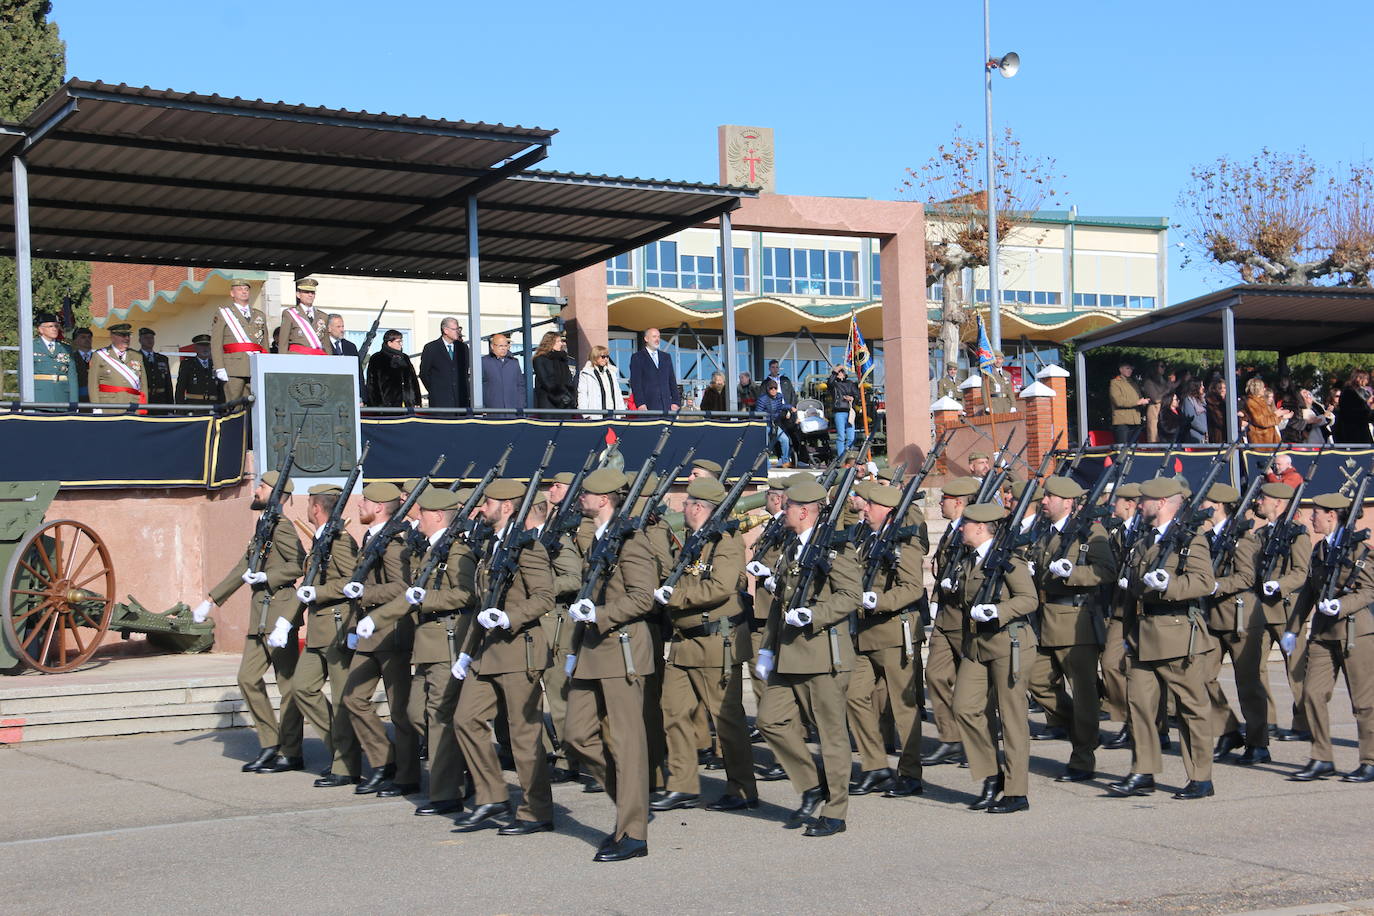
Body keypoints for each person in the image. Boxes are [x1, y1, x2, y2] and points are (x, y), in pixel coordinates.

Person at [755, 478, 862, 837]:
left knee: (831, 736)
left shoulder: (835, 549)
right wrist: (768, 647)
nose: (781, 510)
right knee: (770, 720)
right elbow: (780, 603)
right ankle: (811, 783)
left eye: (787, 506)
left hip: (823, 655)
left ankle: (836, 811)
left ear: (803, 511)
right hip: (788, 654)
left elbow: (851, 595)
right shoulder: (791, 546)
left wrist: (815, 615)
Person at [563, 468, 658, 862]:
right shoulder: (597, 539)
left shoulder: (631, 543)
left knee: (627, 745)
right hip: (591, 651)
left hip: (621, 650)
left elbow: (643, 598)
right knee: (575, 734)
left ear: (603, 500)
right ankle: (630, 802)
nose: (579, 498)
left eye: (585, 494)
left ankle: (633, 832)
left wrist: (600, 613)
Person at [452, 478, 556, 833]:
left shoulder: (528, 548)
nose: (481, 508)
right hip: (487, 652)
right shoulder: (491, 547)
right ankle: (491, 794)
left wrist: (509, 616)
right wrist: (466, 652)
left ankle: (537, 811)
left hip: (519, 650)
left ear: (507, 507)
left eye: (488, 502)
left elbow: (545, 597)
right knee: (465, 719)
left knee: (523, 736)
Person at [1108, 476, 1218, 801]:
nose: (1139, 505)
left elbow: (1203, 582)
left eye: (1144, 500)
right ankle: (1143, 771)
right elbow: (1131, 595)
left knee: (1190, 708)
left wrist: (1168, 587)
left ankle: (1200, 777)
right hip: (1143, 635)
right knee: (1139, 705)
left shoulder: (1190, 540)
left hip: (1177, 634)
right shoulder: (1144, 542)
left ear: (1160, 503)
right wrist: (1128, 633)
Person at [650, 477, 757, 813]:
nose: (682, 508)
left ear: (699, 507)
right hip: (684, 643)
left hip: (716, 642)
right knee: (673, 711)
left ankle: (741, 788)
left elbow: (720, 587)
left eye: (686, 503)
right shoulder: (693, 540)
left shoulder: (725, 541)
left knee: (726, 720)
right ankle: (682, 785)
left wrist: (675, 597)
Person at [369, 487, 477, 816]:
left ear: (436, 515)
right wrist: (375, 620)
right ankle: (469, 767)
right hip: (426, 646)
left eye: (421, 513)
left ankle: (447, 794)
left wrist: (427, 600)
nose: (416, 518)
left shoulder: (456, 552)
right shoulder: (430, 551)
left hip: (446, 643)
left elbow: (466, 594)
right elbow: (410, 594)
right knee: (416, 713)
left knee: (440, 718)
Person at [191, 470, 305, 773]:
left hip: (281, 613)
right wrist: (212, 599)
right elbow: (245, 564)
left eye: (263, 487)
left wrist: (269, 576)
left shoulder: (282, 528)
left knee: (289, 686)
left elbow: (299, 564)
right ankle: (270, 742)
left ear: (278, 495)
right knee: (247, 678)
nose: (257, 490)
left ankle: (291, 751)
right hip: (260, 617)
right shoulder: (263, 526)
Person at [321, 483, 420, 796]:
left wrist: (366, 592)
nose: (359, 505)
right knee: (352, 697)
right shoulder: (371, 538)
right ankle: (383, 759)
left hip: (391, 633)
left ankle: (407, 776)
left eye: (364, 500)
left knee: (400, 710)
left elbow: (402, 588)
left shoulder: (392, 544)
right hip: (368, 634)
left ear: (379, 507)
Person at [950, 501, 1040, 814]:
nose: (961, 528)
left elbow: (1029, 600)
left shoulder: (1008, 560)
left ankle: (1016, 792)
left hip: (1009, 643)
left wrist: (998, 611)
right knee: (964, 707)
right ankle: (991, 775)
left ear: (979, 527)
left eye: (966, 524)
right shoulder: (969, 559)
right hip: (977, 645)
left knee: (1012, 718)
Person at [1026, 476, 1114, 781]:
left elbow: (1106, 571)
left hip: (1076, 621)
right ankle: (1083, 729)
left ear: (1068, 502)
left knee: (1084, 694)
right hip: (1044, 618)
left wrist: (1073, 572)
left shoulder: (1090, 531)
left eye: (1050, 497)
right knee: (1035, 680)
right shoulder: (1043, 531)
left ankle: (1082, 758)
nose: (1044, 501)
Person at [1284, 491, 1374, 783]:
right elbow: (1308, 593)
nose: (1312, 518)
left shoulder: (1361, 550)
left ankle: (1370, 760)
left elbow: (1369, 590)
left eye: (1316, 513)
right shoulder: (1320, 549)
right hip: (1322, 633)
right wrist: (1292, 629)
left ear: (1332, 516)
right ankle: (1322, 757)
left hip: (1354, 633)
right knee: (1311, 694)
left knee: (1364, 702)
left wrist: (1342, 605)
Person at [845, 481, 928, 798]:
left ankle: (910, 773)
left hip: (895, 631)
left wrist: (877, 600)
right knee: (854, 696)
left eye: (870, 505)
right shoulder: (865, 539)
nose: (864, 509)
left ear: (887, 510)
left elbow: (912, 588)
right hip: (865, 635)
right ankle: (875, 765)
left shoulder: (904, 544)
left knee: (904, 707)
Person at [286, 484, 363, 785]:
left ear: (316, 508)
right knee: (301, 688)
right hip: (319, 629)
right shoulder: (322, 539)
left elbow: (351, 582)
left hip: (337, 626)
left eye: (308, 504)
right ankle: (341, 747)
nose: (307, 509)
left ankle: (346, 765)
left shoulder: (340, 541)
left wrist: (316, 591)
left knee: (343, 698)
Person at [1201, 483, 1268, 766]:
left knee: (1248, 684)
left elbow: (1246, 577)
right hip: (1214, 618)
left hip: (1241, 618)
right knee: (1201, 677)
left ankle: (1258, 743)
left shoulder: (1243, 538)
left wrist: (1215, 585)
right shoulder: (1207, 537)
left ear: (1217, 505)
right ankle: (1228, 729)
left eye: (1205, 502)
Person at [923, 477, 980, 767]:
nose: (940, 503)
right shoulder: (951, 530)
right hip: (945, 614)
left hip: (964, 616)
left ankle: (979, 742)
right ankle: (950, 737)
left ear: (958, 502)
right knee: (935, 675)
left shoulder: (972, 531)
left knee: (976, 685)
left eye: (945, 498)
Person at [210, 277, 268, 403]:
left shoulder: (259, 315)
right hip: (233, 368)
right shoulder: (224, 313)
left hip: (255, 366)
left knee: (254, 407)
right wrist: (219, 367)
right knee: (233, 405)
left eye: (246, 289)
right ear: (232, 293)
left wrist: (266, 365)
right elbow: (216, 343)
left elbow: (264, 344)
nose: (244, 291)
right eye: (240, 289)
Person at [89, 323, 147, 407]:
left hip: (133, 405)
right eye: (123, 335)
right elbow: (93, 384)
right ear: (112, 337)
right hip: (108, 406)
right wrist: (96, 407)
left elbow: (143, 384)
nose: (127, 338)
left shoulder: (137, 356)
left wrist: (143, 406)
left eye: (128, 335)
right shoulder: (99, 355)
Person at [418, 317, 470, 409]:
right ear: (445, 330)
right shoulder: (431, 348)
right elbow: (424, 373)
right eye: (455, 329)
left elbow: (466, 371)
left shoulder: (463, 348)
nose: (458, 332)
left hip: (461, 401)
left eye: (459, 329)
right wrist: (434, 390)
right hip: (440, 402)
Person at [31, 310, 79, 404]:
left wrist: (74, 402)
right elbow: (24, 376)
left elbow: (72, 377)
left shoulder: (66, 348)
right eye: (50, 326)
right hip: (39, 397)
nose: (54, 329)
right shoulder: (31, 347)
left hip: (62, 397)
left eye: (56, 326)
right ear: (40, 329)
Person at [365, 330, 420, 408]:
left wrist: (417, 401)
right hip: (387, 407)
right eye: (398, 342)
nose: (401, 344)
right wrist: (378, 406)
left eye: (402, 341)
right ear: (389, 343)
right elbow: (372, 385)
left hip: (408, 405)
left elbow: (413, 380)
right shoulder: (377, 358)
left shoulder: (405, 358)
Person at [629, 327, 679, 412]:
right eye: (654, 336)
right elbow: (636, 382)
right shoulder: (637, 357)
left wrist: (676, 402)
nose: (657, 339)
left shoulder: (666, 357)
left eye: (658, 337)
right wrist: (640, 403)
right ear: (646, 339)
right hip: (647, 407)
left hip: (666, 407)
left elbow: (672, 380)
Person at [275, 278, 329, 355]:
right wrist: (283, 361)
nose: (310, 295)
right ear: (298, 294)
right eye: (306, 292)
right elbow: (283, 342)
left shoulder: (323, 316)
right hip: (297, 358)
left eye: (312, 292)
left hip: (318, 358)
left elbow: (326, 344)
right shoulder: (289, 314)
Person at [754, 379, 797, 467]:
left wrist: (790, 407)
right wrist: (768, 417)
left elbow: (781, 406)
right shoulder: (762, 399)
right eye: (771, 388)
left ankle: (785, 461)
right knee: (765, 444)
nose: (773, 390)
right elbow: (758, 413)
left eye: (775, 388)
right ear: (767, 389)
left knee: (785, 440)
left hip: (775, 424)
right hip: (765, 424)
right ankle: (766, 464)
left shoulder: (779, 396)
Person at [532, 330, 576, 411]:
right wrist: (559, 396)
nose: (561, 343)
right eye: (558, 341)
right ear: (550, 343)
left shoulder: (562, 358)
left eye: (561, 341)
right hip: (548, 401)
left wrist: (571, 396)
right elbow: (544, 380)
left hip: (566, 402)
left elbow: (569, 379)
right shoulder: (540, 359)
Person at [174, 334, 224, 405]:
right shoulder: (187, 364)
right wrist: (180, 409)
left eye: (207, 345)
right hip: (194, 406)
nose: (205, 348)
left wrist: (223, 407)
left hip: (213, 406)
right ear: (195, 347)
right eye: (201, 346)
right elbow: (180, 389)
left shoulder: (216, 364)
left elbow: (221, 389)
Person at [577, 344, 626, 415]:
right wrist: (585, 414)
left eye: (607, 357)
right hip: (595, 415)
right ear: (595, 357)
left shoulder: (611, 373)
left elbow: (618, 394)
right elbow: (582, 395)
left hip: (613, 414)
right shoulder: (586, 373)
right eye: (603, 357)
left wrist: (622, 413)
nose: (606, 359)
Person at [481, 333, 525, 411]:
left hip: (513, 409)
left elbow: (520, 385)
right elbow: (479, 386)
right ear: (492, 346)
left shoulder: (514, 362)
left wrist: (521, 405)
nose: (504, 348)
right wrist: (483, 407)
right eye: (500, 346)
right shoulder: (484, 362)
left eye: (506, 346)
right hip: (492, 409)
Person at [1109, 361, 1149, 444]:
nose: (1130, 370)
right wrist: (1137, 402)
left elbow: (1139, 398)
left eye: (1131, 369)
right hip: (1122, 422)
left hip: (1135, 421)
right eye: (1127, 368)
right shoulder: (1115, 383)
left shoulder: (1133, 383)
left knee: (1133, 449)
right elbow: (1118, 401)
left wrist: (1144, 402)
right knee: (1122, 448)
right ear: (1121, 369)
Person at [135, 327, 173, 406]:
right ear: (140, 340)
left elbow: (168, 383)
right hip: (142, 399)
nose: (149, 340)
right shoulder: (135, 357)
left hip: (161, 400)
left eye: (151, 338)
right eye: (146, 338)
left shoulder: (162, 359)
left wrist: (170, 405)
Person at [828, 365, 860, 456]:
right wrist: (834, 371)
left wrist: (852, 398)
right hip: (839, 412)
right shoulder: (834, 384)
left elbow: (857, 395)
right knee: (841, 436)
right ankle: (841, 457)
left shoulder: (850, 383)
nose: (839, 374)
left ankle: (846, 455)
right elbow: (829, 382)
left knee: (851, 437)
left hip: (849, 411)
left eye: (841, 372)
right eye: (838, 372)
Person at [1243, 377, 1286, 444]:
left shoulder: (1262, 401)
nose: (1264, 389)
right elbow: (1262, 421)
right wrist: (1276, 415)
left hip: (1270, 440)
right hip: (1261, 439)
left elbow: (1268, 417)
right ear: (1257, 389)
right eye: (1263, 387)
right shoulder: (1251, 403)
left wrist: (1279, 415)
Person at [1331, 377, 1373, 443]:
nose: (1366, 382)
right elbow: (1362, 414)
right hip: (1355, 438)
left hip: (1353, 437)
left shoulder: (1349, 393)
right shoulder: (1351, 393)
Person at [1141, 360, 1171, 443]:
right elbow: (1156, 399)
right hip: (1154, 412)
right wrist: (1167, 390)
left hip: (1164, 412)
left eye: (1164, 366)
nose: (1164, 368)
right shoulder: (1148, 382)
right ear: (1155, 368)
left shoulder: (1163, 381)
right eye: (1161, 366)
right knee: (1154, 438)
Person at [1180, 379, 1208, 443]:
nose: (1203, 387)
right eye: (1201, 385)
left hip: (1205, 437)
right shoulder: (1188, 400)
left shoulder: (1203, 400)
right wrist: (1205, 430)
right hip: (1194, 436)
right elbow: (1192, 419)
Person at [71, 326, 93, 401]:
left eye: (89, 337)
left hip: (96, 399)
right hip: (78, 398)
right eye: (83, 337)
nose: (87, 340)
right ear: (75, 340)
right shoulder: (71, 358)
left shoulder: (99, 357)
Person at [1205, 378, 1230, 443]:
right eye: (1220, 388)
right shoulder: (1212, 403)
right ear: (1214, 390)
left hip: (1227, 437)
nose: (1223, 390)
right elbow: (1220, 421)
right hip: (1218, 438)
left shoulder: (1227, 402)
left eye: (1224, 388)